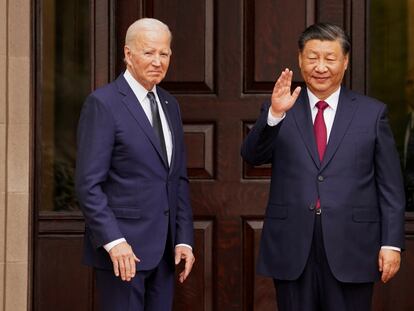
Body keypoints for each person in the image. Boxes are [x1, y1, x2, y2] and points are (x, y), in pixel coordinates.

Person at [241, 23, 405, 311]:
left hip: (351, 246)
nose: (320, 67)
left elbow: (390, 186)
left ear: (345, 61)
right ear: (300, 59)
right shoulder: (281, 106)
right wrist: (276, 115)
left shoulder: (371, 113)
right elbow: (252, 156)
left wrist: (391, 243)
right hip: (292, 245)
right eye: (312, 57)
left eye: (329, 58)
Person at [75, 18, 195, 311]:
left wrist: (184, 239)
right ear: (128, 55)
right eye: (148, 53)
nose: (158, 61)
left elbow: (176, 179)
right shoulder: (103, 103)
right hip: (123, 254)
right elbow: (88, 185)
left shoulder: (170, 104)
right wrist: (114, 242)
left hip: (165, 254)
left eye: (164, 54)